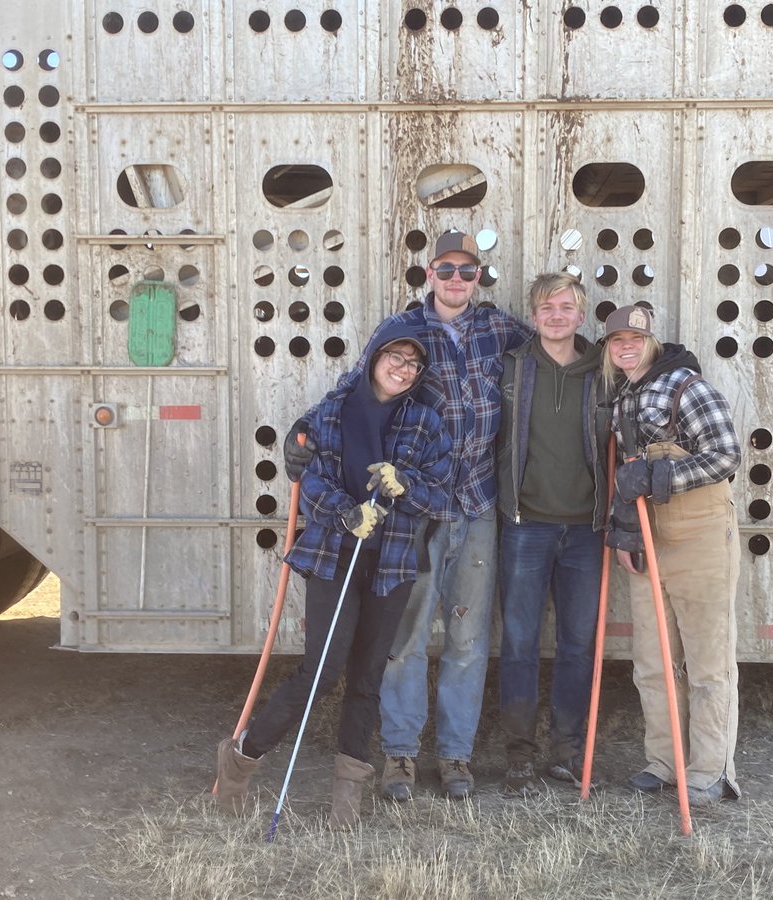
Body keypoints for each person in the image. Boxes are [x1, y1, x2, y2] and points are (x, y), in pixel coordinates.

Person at [285, 230, 530, 800]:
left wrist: (661, 360)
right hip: (412, 508)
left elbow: (563, 352)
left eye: (467, 271)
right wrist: (300, 437)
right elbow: (350, 390)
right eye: (446, 269)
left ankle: (455, 757)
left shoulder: (501, 329)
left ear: (478, 278)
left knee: (468, 639)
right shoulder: (403, 332)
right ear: (429, 274)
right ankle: (400, 755)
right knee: (406, 638)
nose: (456, 280)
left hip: (477, 503)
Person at [216, 324, 451, 827]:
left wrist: (405, 486)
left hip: (390, 564)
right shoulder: (333, 409)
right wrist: (348, 513)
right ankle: (240, 760)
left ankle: (347, 799)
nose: (403, 369)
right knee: (321, 670)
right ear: (373, 357)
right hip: (332, 555)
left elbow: (441, 497)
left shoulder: (427, 421)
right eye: (396, 357)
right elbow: (310, 476)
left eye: (414, 363)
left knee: (367, 678)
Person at [601, 304, 743, 804]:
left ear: (652, 342)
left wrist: (662, 476)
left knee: (708, 662)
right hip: (649, 536)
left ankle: (710, 769)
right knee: (654, 662)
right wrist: (625, 531)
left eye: (635, 339)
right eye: (617, 340)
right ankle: (664, 761)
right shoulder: (622, 398)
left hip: (701, 535)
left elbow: (726, 455)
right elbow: (626, 479)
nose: (626, 347)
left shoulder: (686, 386)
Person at [495, 272, 611, 794]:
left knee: (578, 646)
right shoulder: (513, 368)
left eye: (566, 307)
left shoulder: (606, 372)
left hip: (586, 530)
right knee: (518, 644)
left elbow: (659, 365)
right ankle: (519, 754)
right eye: (547, 307)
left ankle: (568, 750)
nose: (557, 315)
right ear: (534, 315)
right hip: (525, 526)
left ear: (581, 316)